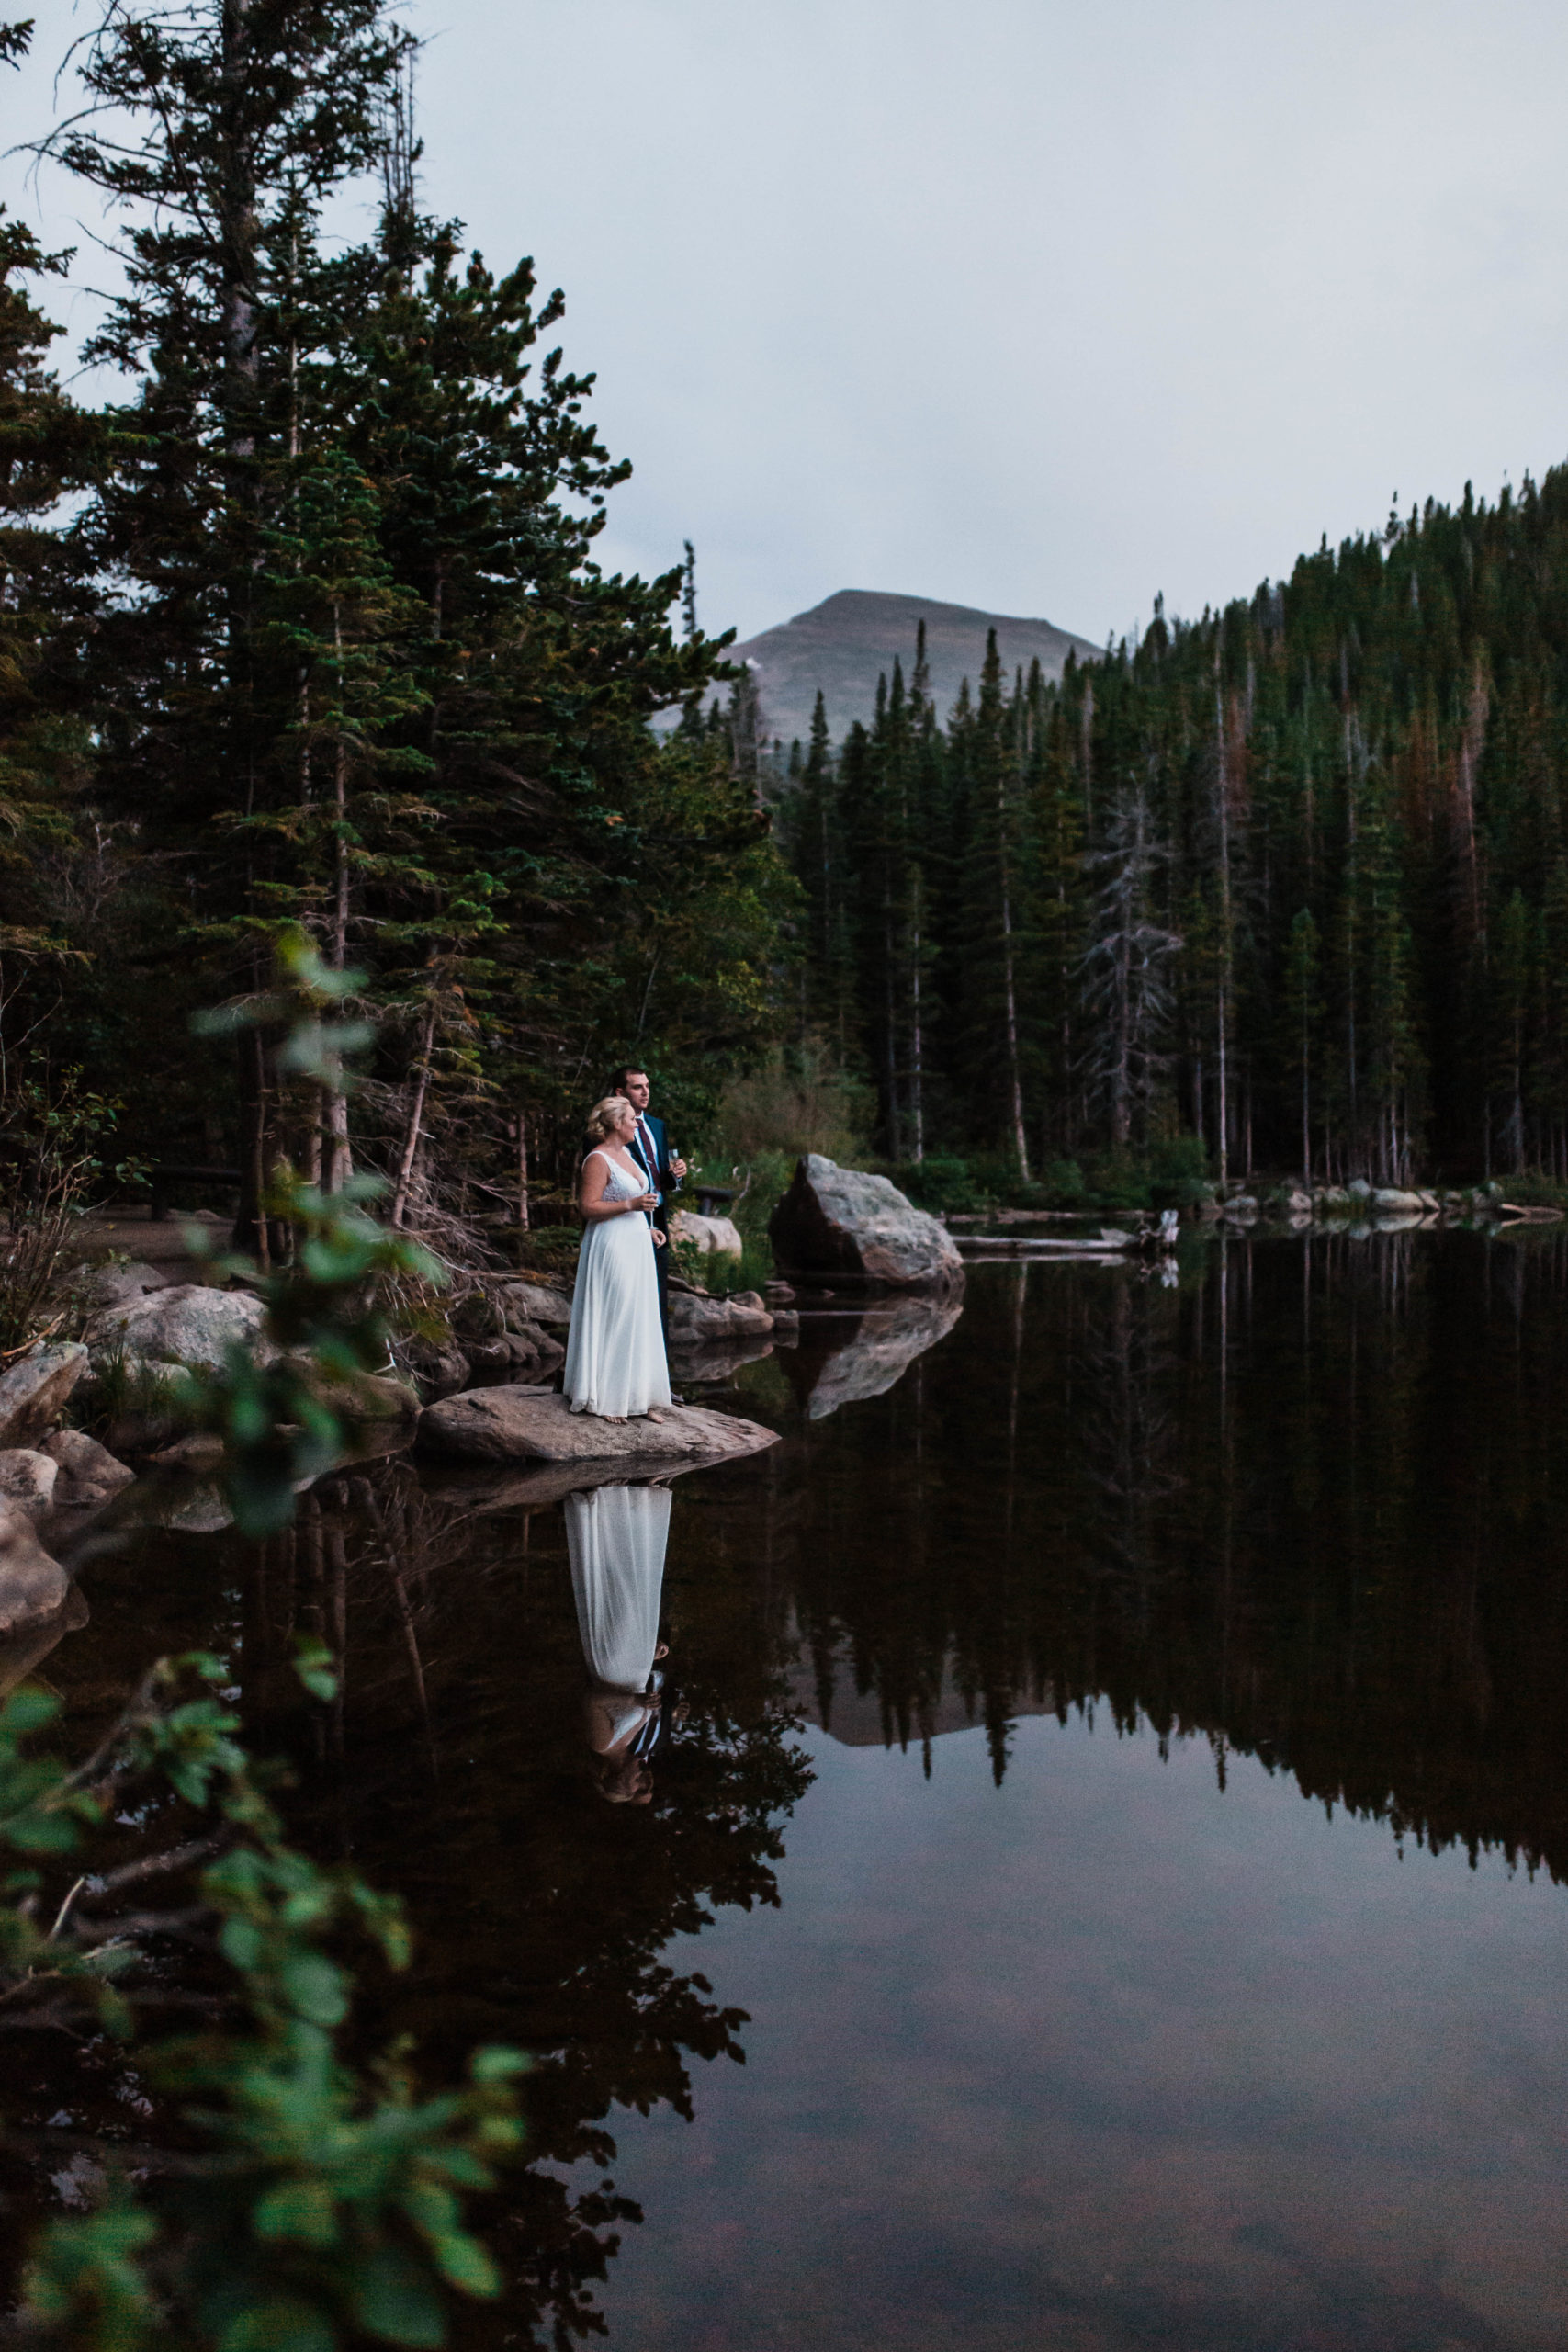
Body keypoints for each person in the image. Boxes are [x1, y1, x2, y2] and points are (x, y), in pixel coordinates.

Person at [562, 1096, 672, 1422]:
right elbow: (588, 1207)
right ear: (615, 1124)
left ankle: (640, 1398)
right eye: (632, 1120)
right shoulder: (597, 1159)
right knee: (616, 1315)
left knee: (641, 1316)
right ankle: (608, 1399)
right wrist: (631, 1207)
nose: (638, 1124)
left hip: (637, 1244)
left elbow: (637, 1202)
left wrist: (647, 1230)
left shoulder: (626, 1154)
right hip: (610, 1246)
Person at [567, 1481, 672, 1805]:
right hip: (633, 1660)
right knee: (638, 1586)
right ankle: (635, 1501)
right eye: (643, 1782)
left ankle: (605, 1506)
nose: (642, 1777)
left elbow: (593, 1700)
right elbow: (635, 1692)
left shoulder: (603, 1745)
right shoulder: (631, 1744)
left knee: (618, 1589)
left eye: (636, 1783)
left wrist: (636, 1704)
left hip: (612, 1660)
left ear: (617, 1777)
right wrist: (649, 1658)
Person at [610, 1065, 687, 1344]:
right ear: (621, 1092)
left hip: (658, 1222)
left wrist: (674, 1174)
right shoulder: (607, 1131)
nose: (646, 1092)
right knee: (627, 1301)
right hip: (624, 1223)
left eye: (647, 1086)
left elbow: (656, 1179)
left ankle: (659, 1380)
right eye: (637, 1087)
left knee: (656, 1299)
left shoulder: (656, 1125)